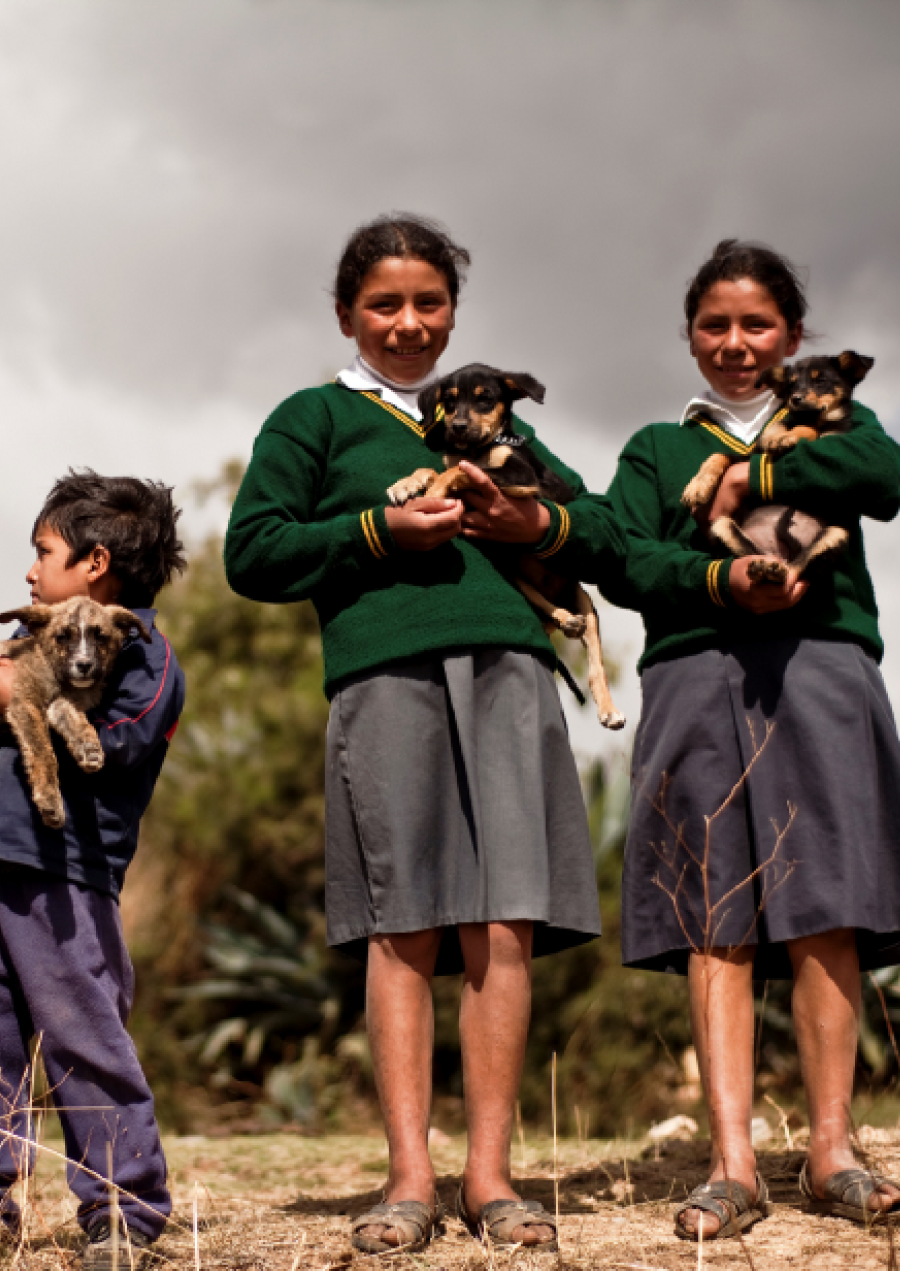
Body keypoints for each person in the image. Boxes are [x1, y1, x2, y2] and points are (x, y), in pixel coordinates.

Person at [223, 215, 620, 1254]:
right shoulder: (314, 417)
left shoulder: (497, 424)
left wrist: (535, 526)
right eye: (385, 304)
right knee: (403, 922)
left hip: (510, 673)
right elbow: (253, 551)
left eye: (429, 302)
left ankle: (490, 1177)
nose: (408, 322)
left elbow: (609, 532)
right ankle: (408, 1177)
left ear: (455, 311)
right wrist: (375, 530)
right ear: (348, 313)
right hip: (384, 675)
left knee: (503, 920)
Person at [603, 239, 900, 1240]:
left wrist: (753, 468)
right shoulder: (655, 447)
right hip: (694, 671)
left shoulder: (836, 422)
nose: (735, 342)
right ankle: (733, 1163)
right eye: (714, 324)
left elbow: (879, 474)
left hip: (821, 663)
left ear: (794, 336)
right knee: (718, 910)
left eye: (757, 324)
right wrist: (721, 574)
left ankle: (833, 1149)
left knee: (823, 903)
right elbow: (630, 555)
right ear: (690, 336)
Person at [0, 471, 186, 1270]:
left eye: (44, 551)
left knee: (82, 1034)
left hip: (63, 875)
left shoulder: (141, 652)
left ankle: (121, 1210)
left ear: (96, 562)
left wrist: (7, 693)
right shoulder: (26, 647)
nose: (32, 570)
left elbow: (125, 741)